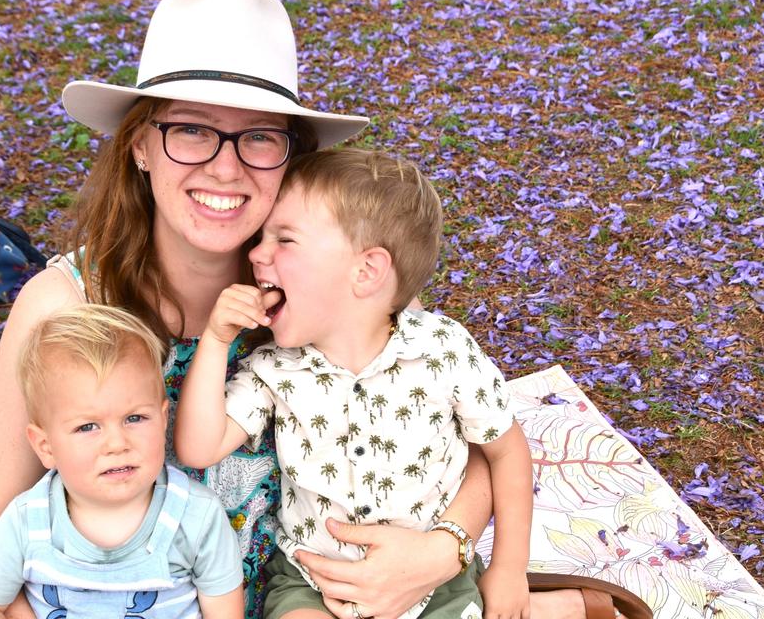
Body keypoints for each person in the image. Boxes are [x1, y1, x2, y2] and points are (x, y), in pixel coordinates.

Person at [0, 0, 503, 619]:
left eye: (260, 137)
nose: (224, 167)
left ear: (289, 158)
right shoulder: (64, 306)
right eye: (191, 129)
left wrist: (443, 550)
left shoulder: (319, 288)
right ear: (139, 145)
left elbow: (475, 442)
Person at [175, 149, 534, 619]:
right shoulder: (274, 368)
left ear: (366, 272)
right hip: (311, 583)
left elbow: (506, 451)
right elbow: (198, 449)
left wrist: (510, 568)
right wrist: (217, 341)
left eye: (284, 239)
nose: (257, 254)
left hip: (434, 588)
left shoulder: (442, 350)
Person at [0, 305, 244, 619]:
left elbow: (225, 612)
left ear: (163, 421)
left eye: (135, 418)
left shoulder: (195, 516)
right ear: (46, 446)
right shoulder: (28, 522)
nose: (117, 444)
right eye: (87, 427)